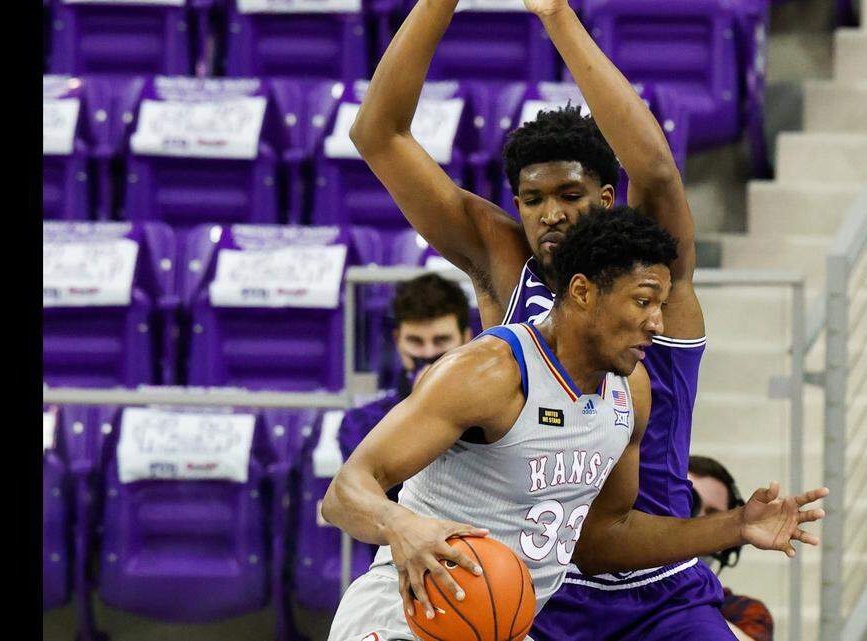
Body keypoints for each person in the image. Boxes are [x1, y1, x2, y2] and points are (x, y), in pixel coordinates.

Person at [347, 0, 752, 638]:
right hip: (531, 587)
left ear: (607, 199)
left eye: (572, 196)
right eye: (534, 200)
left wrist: (556, 14)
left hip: (653, 582)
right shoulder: (506, 261)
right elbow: (379, 135)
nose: (553, 215)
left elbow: (654, 170)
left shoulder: (654, 268)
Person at [320, 210, 828, 641]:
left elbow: (604, 540)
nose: (657, 322)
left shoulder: (631, 392)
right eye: (643, 301)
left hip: (504, 627)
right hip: (407, 618)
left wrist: (733, 527)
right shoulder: (489, 373)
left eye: (661, 305)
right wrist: (401, 525)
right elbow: (344, 493)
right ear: (583, 292)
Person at [339, 273, 474, 465]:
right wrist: (419, 410)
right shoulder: (361, 423)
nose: (429, 353)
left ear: (466, 339)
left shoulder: (491, 419)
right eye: (415, 341)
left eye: (441, 340)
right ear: (397, 341)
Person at [689, 455, 776, 641]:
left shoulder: (741, 610)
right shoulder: (618, 592)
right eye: (688, 506)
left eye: (713, 516)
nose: (698, 524)